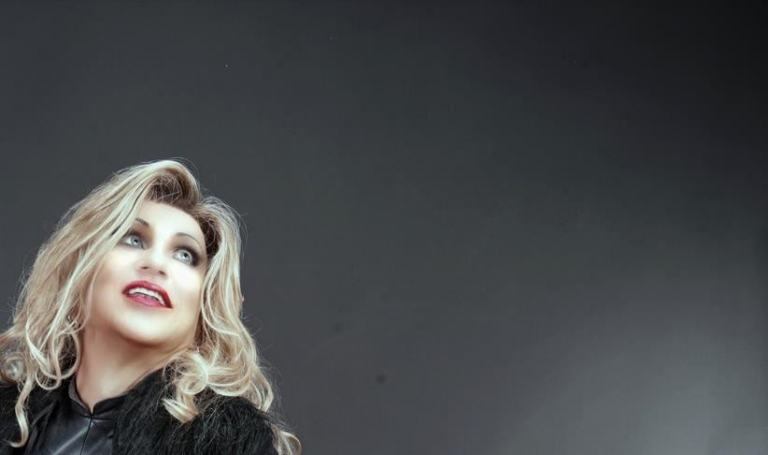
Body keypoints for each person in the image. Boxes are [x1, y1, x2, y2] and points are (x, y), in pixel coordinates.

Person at [0, 159, 301, 454]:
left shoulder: (231, 444)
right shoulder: (12, 416)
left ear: (205, 305)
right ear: (81, 268)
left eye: (185, 255)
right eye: (133, 239)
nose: (156, 263)